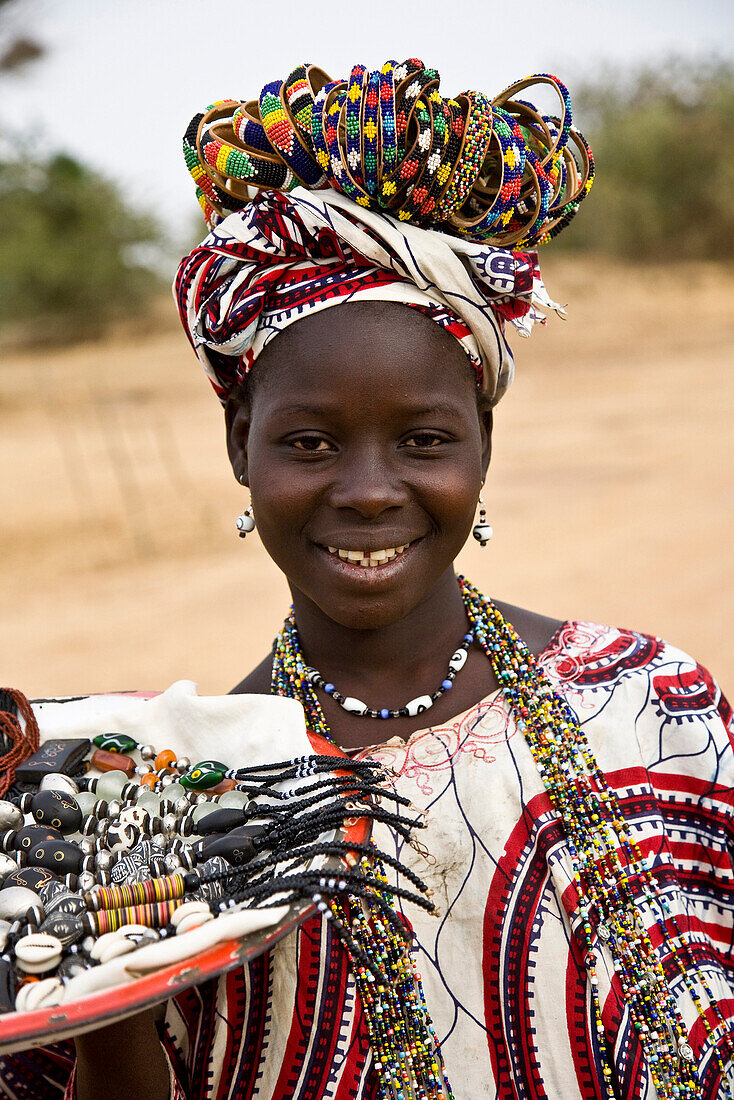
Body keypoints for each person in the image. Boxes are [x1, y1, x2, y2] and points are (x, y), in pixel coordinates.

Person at [2, 58, 733, 1100]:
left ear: (482, 440)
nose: (369, 490)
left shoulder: (650, 706)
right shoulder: (183, 811)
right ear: (237, 443)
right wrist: (117, 991)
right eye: (308, 441)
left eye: (423, 437)